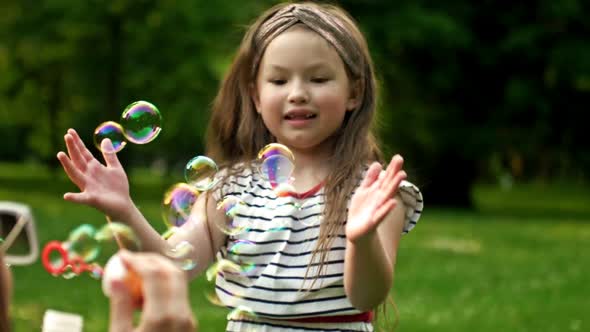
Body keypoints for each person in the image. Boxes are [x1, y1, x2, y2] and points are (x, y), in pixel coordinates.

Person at [57, 2, 424, 331]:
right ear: (256, 95)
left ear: (354, 93)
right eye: (279, 80)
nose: (297, 92)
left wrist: (361, 238)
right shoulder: (230, 187)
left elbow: (367, 297)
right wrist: (120, 209)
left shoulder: (373, 189)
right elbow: (172, 266)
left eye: (318, 78)